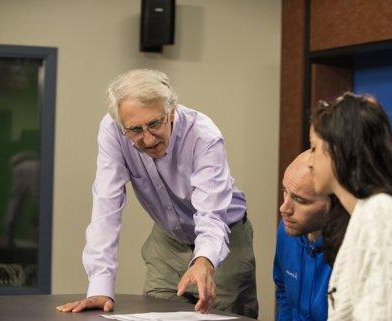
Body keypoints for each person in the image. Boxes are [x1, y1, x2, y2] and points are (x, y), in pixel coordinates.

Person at [56, 69, 258, 317]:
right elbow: (106, 208)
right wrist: (100, 287)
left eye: (154, 124)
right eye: (136, 130)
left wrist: (204, 260)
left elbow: (212, 214)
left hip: (225, 238)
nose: (149, 139)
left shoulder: (203, 135)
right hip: (167, 241)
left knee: (223, 316)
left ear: (171, 111)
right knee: (156, 314)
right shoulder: (113, 130)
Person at [308, 92, 392, 320]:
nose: (309, 162)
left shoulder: (382, 215)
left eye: (313, 148)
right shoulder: (362, 215)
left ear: (339, 149)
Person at [274, 150, 349, 321]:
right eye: (285, 191)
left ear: (333, 204)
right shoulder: (286, 230)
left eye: (300, 200)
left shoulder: (352, 248)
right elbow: (283, 291)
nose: (284, 208)